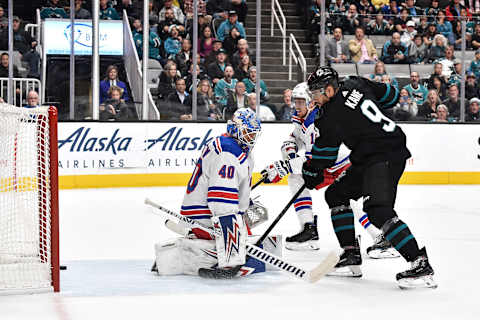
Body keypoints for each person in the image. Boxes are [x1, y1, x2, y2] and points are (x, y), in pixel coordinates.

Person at [302, 66, 436, 288]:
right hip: (371, 152)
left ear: (328, 90)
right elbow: (391, 95)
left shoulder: (331, 115)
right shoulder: (356, 82)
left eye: (315, 94)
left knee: (378, 210)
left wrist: (310, 172)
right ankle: (351, 255)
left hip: (384, 154)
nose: (314, 99)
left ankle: (420, 264)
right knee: (336, 194)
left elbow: (324, 156)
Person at [157, 108, 261, 275]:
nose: (251, 138)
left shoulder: (236, 149)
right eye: (247, 133)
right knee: (238, 233)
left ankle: (193, 243)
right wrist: (233, 242)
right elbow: (221, 201)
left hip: (204, 213)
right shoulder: (228, 151)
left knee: (248, 233)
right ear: (235, 129)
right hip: (204, 217)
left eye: (254, 134)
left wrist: (244, 207)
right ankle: (223, 259)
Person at [261, 82, 350, 251]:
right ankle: (309, 230)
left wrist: (285, 166)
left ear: (310, 102)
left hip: (341, 164)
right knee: (296, 179)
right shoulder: (301, 117)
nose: (296, 105)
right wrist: (291, 151)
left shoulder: (315, 122)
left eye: (301, 101)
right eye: (295, 101)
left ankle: (380, 237)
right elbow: (294, 138)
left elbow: (314, 161)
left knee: (352, 199)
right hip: (328, 165)